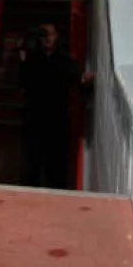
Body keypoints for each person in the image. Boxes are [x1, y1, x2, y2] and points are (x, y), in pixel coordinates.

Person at [17, 23, 91, 189]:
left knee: (56, 166)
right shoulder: (31, 59)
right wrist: (22, 59)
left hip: (57, 120)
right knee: (32, 164)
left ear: (57, 37)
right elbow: (21, 83)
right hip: (34, 119)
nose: (47, 39)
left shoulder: (65, 61)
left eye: (51, 34)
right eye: (43, 35)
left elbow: (79, 82)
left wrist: (86, 81)